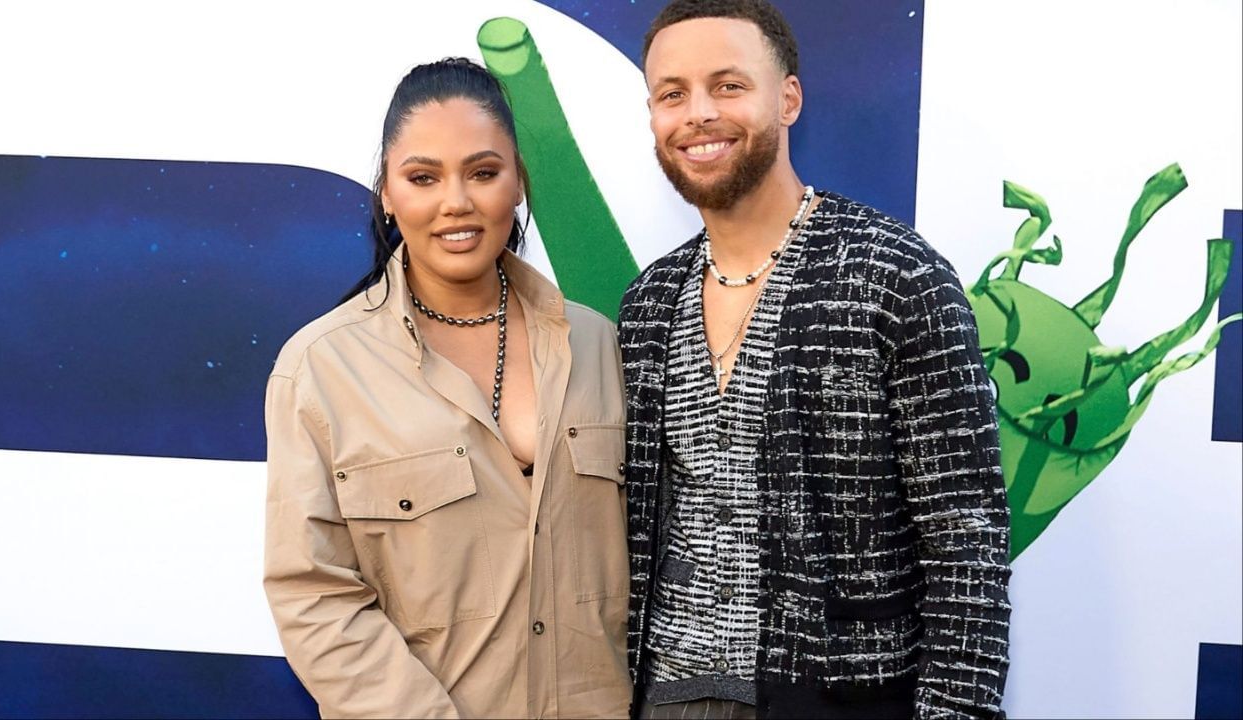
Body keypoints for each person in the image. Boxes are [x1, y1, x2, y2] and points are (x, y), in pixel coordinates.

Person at [618, 2, 1012, 718]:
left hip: (840, 695)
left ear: (788, 99)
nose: (697, 113)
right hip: (667, 695)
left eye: (728, 85)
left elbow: (966, 544)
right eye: (672, 94)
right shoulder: (648, 300)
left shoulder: (896, 275)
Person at [263, 58, 631, 719]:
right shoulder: (321, 369)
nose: (455, 201)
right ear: (386, 192)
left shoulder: (597, 345)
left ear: (518, 182)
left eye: (483, 173)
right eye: (423, 177)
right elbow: (313, 597)